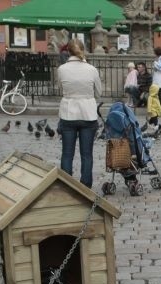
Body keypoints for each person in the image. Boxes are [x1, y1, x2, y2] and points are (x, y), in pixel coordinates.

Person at [57, 39, 102, 189]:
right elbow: (99, 93)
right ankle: (86, 186)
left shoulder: (62, 69)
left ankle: (67, 186)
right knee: (87, 154)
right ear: (83, 50)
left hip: (68, 113)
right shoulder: (91, 69)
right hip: (88, 114)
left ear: (68, 51)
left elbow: (60, 89)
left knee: (67, 153)